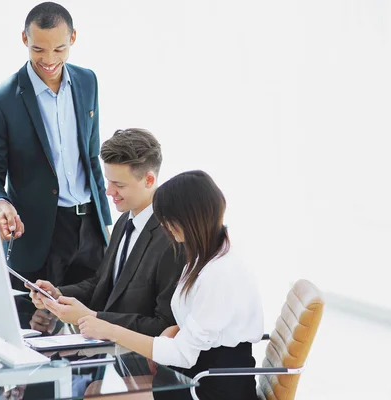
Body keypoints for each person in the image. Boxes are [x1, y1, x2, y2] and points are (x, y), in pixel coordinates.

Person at [77, 170, 265, 400]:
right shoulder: (203, 257)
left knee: (98, 397)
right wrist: (173, 331)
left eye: (167, 218)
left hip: (211, 385)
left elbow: (183, 354)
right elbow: (202, 324)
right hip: (195, 372)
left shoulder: (220, 273)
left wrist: (110, 330)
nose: (164, 225)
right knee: (94, 391)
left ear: (188, 218)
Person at [0, 2, 111, 289]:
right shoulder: (1, 101)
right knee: (32, 330)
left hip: (91, 232)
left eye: (59, 49)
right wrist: (1, 205)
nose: (49, 59)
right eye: (38, 49)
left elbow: (91, 157)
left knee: (94, 328)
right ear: (25, 39)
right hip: (37, 239)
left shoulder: (88, 81)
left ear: (73, 38)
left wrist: (105, 225)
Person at [28, 128, 185, 337]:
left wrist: (94, 318)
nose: (109, 191)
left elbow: (164, 325)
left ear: (149, 180)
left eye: (119, 184)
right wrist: (58, 294)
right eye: (108, 181)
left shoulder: (174, 238)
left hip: (143, 362)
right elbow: (102, 283)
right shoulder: (124, 221)